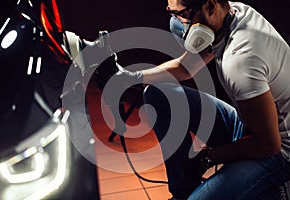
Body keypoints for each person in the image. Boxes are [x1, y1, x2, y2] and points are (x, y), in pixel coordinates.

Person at [101, 0, 290, 199]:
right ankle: (182, 192)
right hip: (250, 124)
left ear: (210, 6)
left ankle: (279, 189)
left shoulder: (240, 61)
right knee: (158, 95)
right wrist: (132, 78)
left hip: (278, 152)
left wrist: (206, 158)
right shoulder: (232, 14)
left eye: (181, 15)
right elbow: (185, 68)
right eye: (172, 14)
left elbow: (268, 143)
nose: (180, 24)